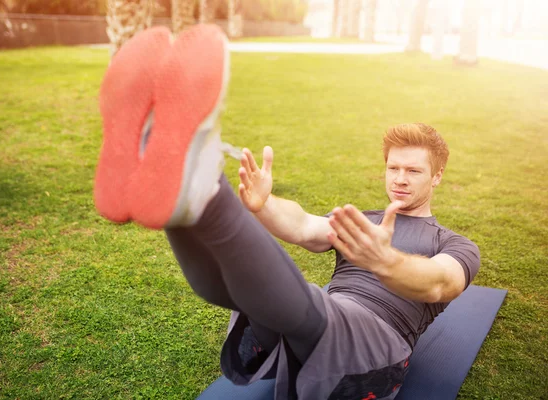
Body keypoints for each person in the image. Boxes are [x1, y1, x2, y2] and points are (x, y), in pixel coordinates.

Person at [94, 25, 481, 400]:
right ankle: (176, 189)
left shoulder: (453, 243)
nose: (400, 178)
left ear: (437, 177)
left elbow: (439, 284)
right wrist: (265, 204)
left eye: (413, 171)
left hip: (377, 349)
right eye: (393, 167)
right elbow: (302, 226)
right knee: (245, 297)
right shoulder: (364, 219)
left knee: (310, 305)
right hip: (321, 318)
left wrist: (386, 262)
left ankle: (204, 186)